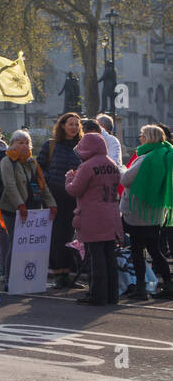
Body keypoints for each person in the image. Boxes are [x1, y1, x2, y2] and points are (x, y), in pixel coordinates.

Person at [66, 131, 123, 307]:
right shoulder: (112, 164)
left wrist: (69, 179)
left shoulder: (88, 166)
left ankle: (97, 295)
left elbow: (75, 190)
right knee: (109, 257)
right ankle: (112, 295)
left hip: (92, 216)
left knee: (95, 257)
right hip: (111, 215)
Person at [119, 125, 173, 302]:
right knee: (155, 250)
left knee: (137, 251)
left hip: (138, 212)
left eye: (141, 135)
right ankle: (169, 284)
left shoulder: (145, 158)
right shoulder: (165, 154)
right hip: (156, 213)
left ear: (148, 137)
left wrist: (121, 168)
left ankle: (140, 288)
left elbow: (126, 180)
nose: (139, 138)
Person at [0, 130, 57, 287]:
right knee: (14, 242)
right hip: (12, 209)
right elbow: (9, 186)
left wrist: (51, 204)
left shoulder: (32, 162)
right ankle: (10, 278)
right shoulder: (7, 161)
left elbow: (42, 185)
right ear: (12, 144)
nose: (23, 146)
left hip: (33, 207)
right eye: (19, 142)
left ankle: (29, 278)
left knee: (29, 244)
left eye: (26, 143)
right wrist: (20, 205)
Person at [40, 112, 83, 289]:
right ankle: (59, 273)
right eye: (70, 124)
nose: (74, 127)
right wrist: (50, 180)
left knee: (70, 235)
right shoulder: (50, 145)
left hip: (74, 197)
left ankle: (69, 272)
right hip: (55, 196)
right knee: (57, 235)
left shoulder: (82, 147)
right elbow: (39, 168)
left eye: (76, 124)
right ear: (62, 125)